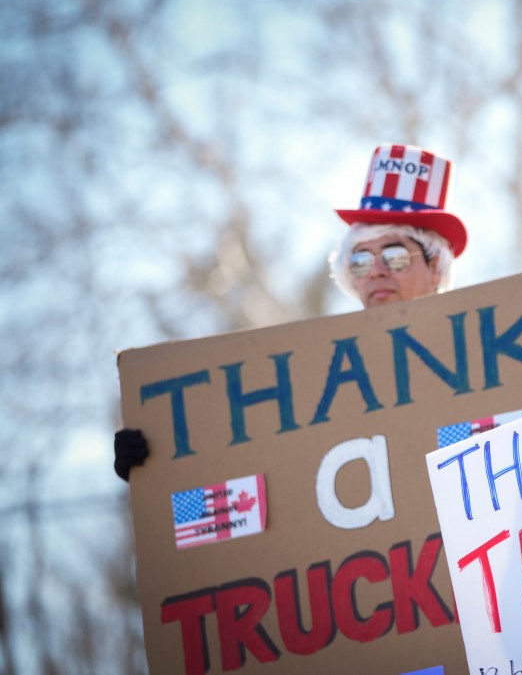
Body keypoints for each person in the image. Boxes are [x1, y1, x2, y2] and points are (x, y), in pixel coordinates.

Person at [114, 143, 467, 480]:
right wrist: (158, 467)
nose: (376, 271)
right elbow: (267, 463)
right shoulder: (320, 375)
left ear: (436, 266)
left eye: (395, 256)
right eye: (359, 260)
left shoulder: (479, 354)